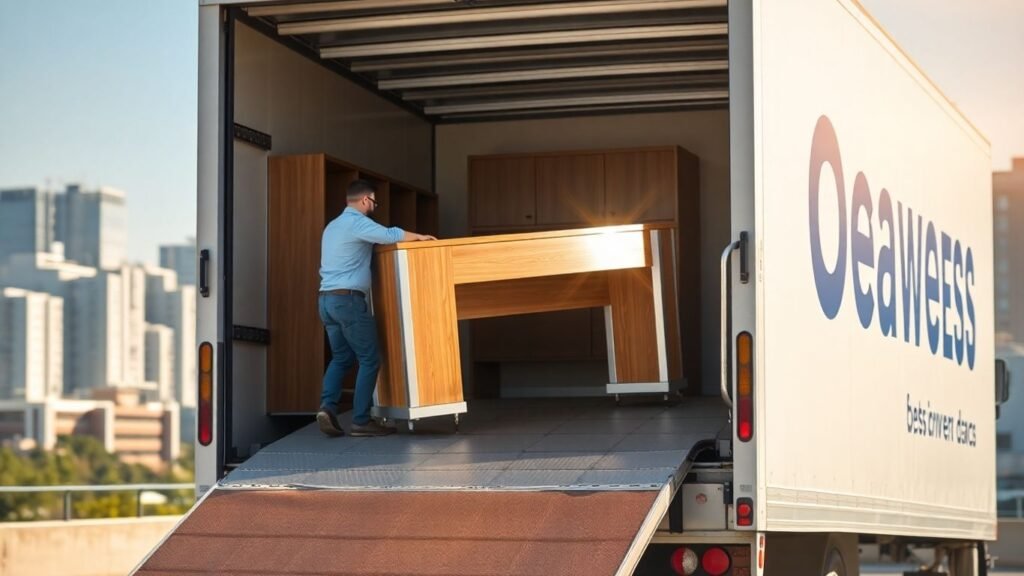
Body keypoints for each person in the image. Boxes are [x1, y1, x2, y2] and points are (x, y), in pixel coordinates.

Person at [316, 179, 436, 437]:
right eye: (374, 202)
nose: (374, 207)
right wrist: (419, 237)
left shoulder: (332, 226)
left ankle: (327, 406)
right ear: (365, 199)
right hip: (348, 301)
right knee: (369, 359)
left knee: (342, 357)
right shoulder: (357, 223)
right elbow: (389, 234)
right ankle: (361, 420)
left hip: (326, 300)